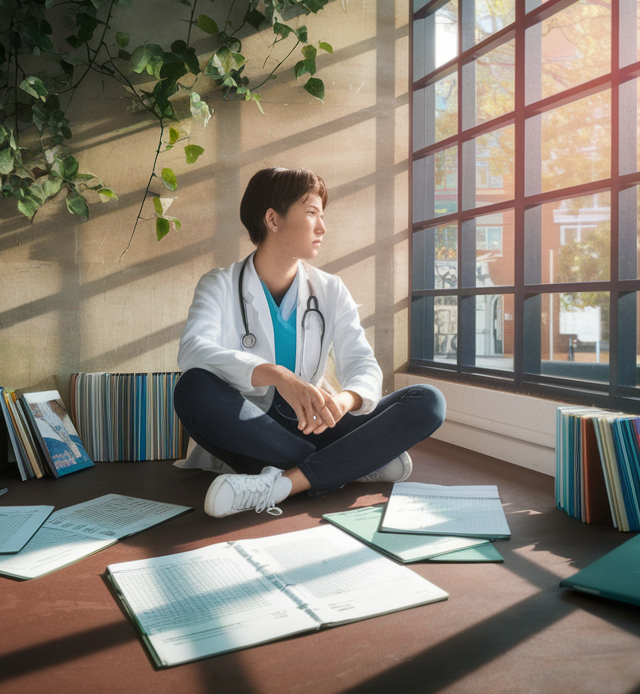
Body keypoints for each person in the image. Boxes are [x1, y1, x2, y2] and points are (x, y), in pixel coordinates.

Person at [174, 167, 446, 518]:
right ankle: (354, 464)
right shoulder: (220, 284)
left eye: (322, 215)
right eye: (312, 213)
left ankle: (284, 483)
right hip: (251, 428)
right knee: (192, 387)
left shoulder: (331, 289)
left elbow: (362, 364)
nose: (322, 227)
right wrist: (275, 375)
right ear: (272, 219)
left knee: (427, 400)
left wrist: (345, 400)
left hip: (316, 424)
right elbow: (193, 349)